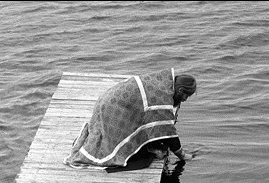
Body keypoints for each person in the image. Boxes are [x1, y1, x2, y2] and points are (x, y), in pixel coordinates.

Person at [63, 68, 197, 168]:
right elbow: (168, 133)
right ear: (180, 91)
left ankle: (150, 146)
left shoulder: (163, 82)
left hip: (106, 102)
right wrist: (183, 155)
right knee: (121, 153)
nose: (185, 100)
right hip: (112, 110)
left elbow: (156, 125)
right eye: (186, 96)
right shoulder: (162, 97)